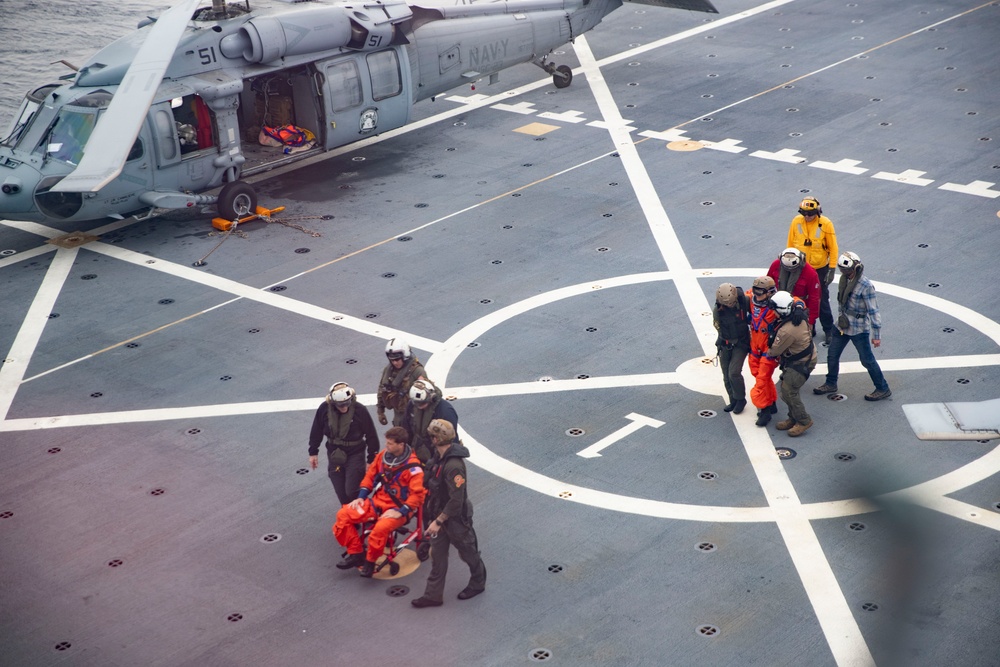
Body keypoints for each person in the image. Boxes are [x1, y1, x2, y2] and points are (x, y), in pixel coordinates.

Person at [411, 419, 487, 608]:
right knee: (438, 557)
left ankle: (478, 583)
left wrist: (438, 520)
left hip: (455, 520)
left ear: (437, 439)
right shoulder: (439, 456)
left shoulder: (453, 466)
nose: (430, 439)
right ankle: (433, 595)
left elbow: (456, 500)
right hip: (439, 515)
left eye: (431, 436)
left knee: (469, 553)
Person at [333, 426, 426, 576]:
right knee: (343, 515)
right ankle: (356, 553)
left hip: (399, 509)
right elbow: (370, 476)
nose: (386, 446)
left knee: (379, 529)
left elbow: (417, 496)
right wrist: (361, 497)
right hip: (377, 503)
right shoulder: (383, 457)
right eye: (386, 442)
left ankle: (370, 562)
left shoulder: (414, 468)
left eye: (390, 443)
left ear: (401, 445)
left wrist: (400, 512)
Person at [813, 251, 892, 401]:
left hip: (858, 329)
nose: (845, 273)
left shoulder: (866, 285)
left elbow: (874, 311)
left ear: (855, 268)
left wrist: (876, 336)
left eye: (847, 270)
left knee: (867, 360)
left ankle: (883, 388)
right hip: (842, 326)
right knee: (832, 355)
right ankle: (831, 383)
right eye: (843, 270)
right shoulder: (845, 280)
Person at [308, 382, 380, 506]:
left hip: (355, 454)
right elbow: (317, 430)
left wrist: (371, 460)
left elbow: (371, 435)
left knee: (352, 491)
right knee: (341, 492)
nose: (344, 407)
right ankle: (350, 519)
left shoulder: (360, 410)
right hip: (334, 454)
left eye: (347, 403)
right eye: (341, 405)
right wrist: (313, 452)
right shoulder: (324, 409)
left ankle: (365, 510)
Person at [787, 196, 839, 345]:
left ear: (817, 212)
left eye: (810, 213)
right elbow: (790, 244)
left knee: (821, 300)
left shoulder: (826, 224)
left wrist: (831, 269)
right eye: (804, 213)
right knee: (801, 298)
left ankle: (828, 329)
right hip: (800, 268)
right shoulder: (796, 222)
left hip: (819, 269)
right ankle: (809, 327)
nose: (807, 216)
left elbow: (833, 248)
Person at [768, 291, 818, 437]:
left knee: (789, 391)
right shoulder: (798, 314)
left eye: (775, 310)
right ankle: (793, 417)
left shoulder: (787, 331)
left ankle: (803, 420)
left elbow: (774, 351)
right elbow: (798, 303)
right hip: (803, 357)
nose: (773, 313)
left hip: (800, 363)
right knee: (786, 388)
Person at [746, 276, 780, 426]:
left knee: (762, 379)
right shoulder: (752, 300)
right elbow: (742, 294)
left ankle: (764, 410)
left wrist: (798, 308)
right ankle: (772, 402)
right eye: (755, 291)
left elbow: (796, 301)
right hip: (755, 346)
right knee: (757, 374)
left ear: (770, 292)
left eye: (760, 292)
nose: (757, 295)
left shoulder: (777, 303)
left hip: (769, 349)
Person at [712, 283, 750, 414]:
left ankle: (740, 399)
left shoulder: (744, 301)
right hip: (726, 343)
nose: (730, 306)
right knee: (726, 375)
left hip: (741, 343)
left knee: (734, 372)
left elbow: (758, 310)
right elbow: (718, 327)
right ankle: (733, 399)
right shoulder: (718, 310)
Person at [403, 378, 458, 463]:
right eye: (416, 403)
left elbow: (451, 440)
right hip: (417, 453)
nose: (419, 406)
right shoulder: (413, 404)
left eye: (422, 403)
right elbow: (406, 428)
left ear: (432, 397)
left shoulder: (446, 411)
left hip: (437, 457)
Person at [767, 247, 820, 332]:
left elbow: (814, 298)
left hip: (799, 310)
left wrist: (811, 321)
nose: (790, 270)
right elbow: (768, 284)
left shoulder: (810, 273)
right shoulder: (775, 265)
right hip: (777, 308)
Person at [376, 338, 425, 427]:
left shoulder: (418, 372)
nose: (394, 362)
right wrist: (380, 411)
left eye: (397, 359)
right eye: (392, 360)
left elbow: (425, 396)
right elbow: (381, 389)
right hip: (398, 417)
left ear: (405, 356)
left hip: (414, 418)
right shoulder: (388, 370)